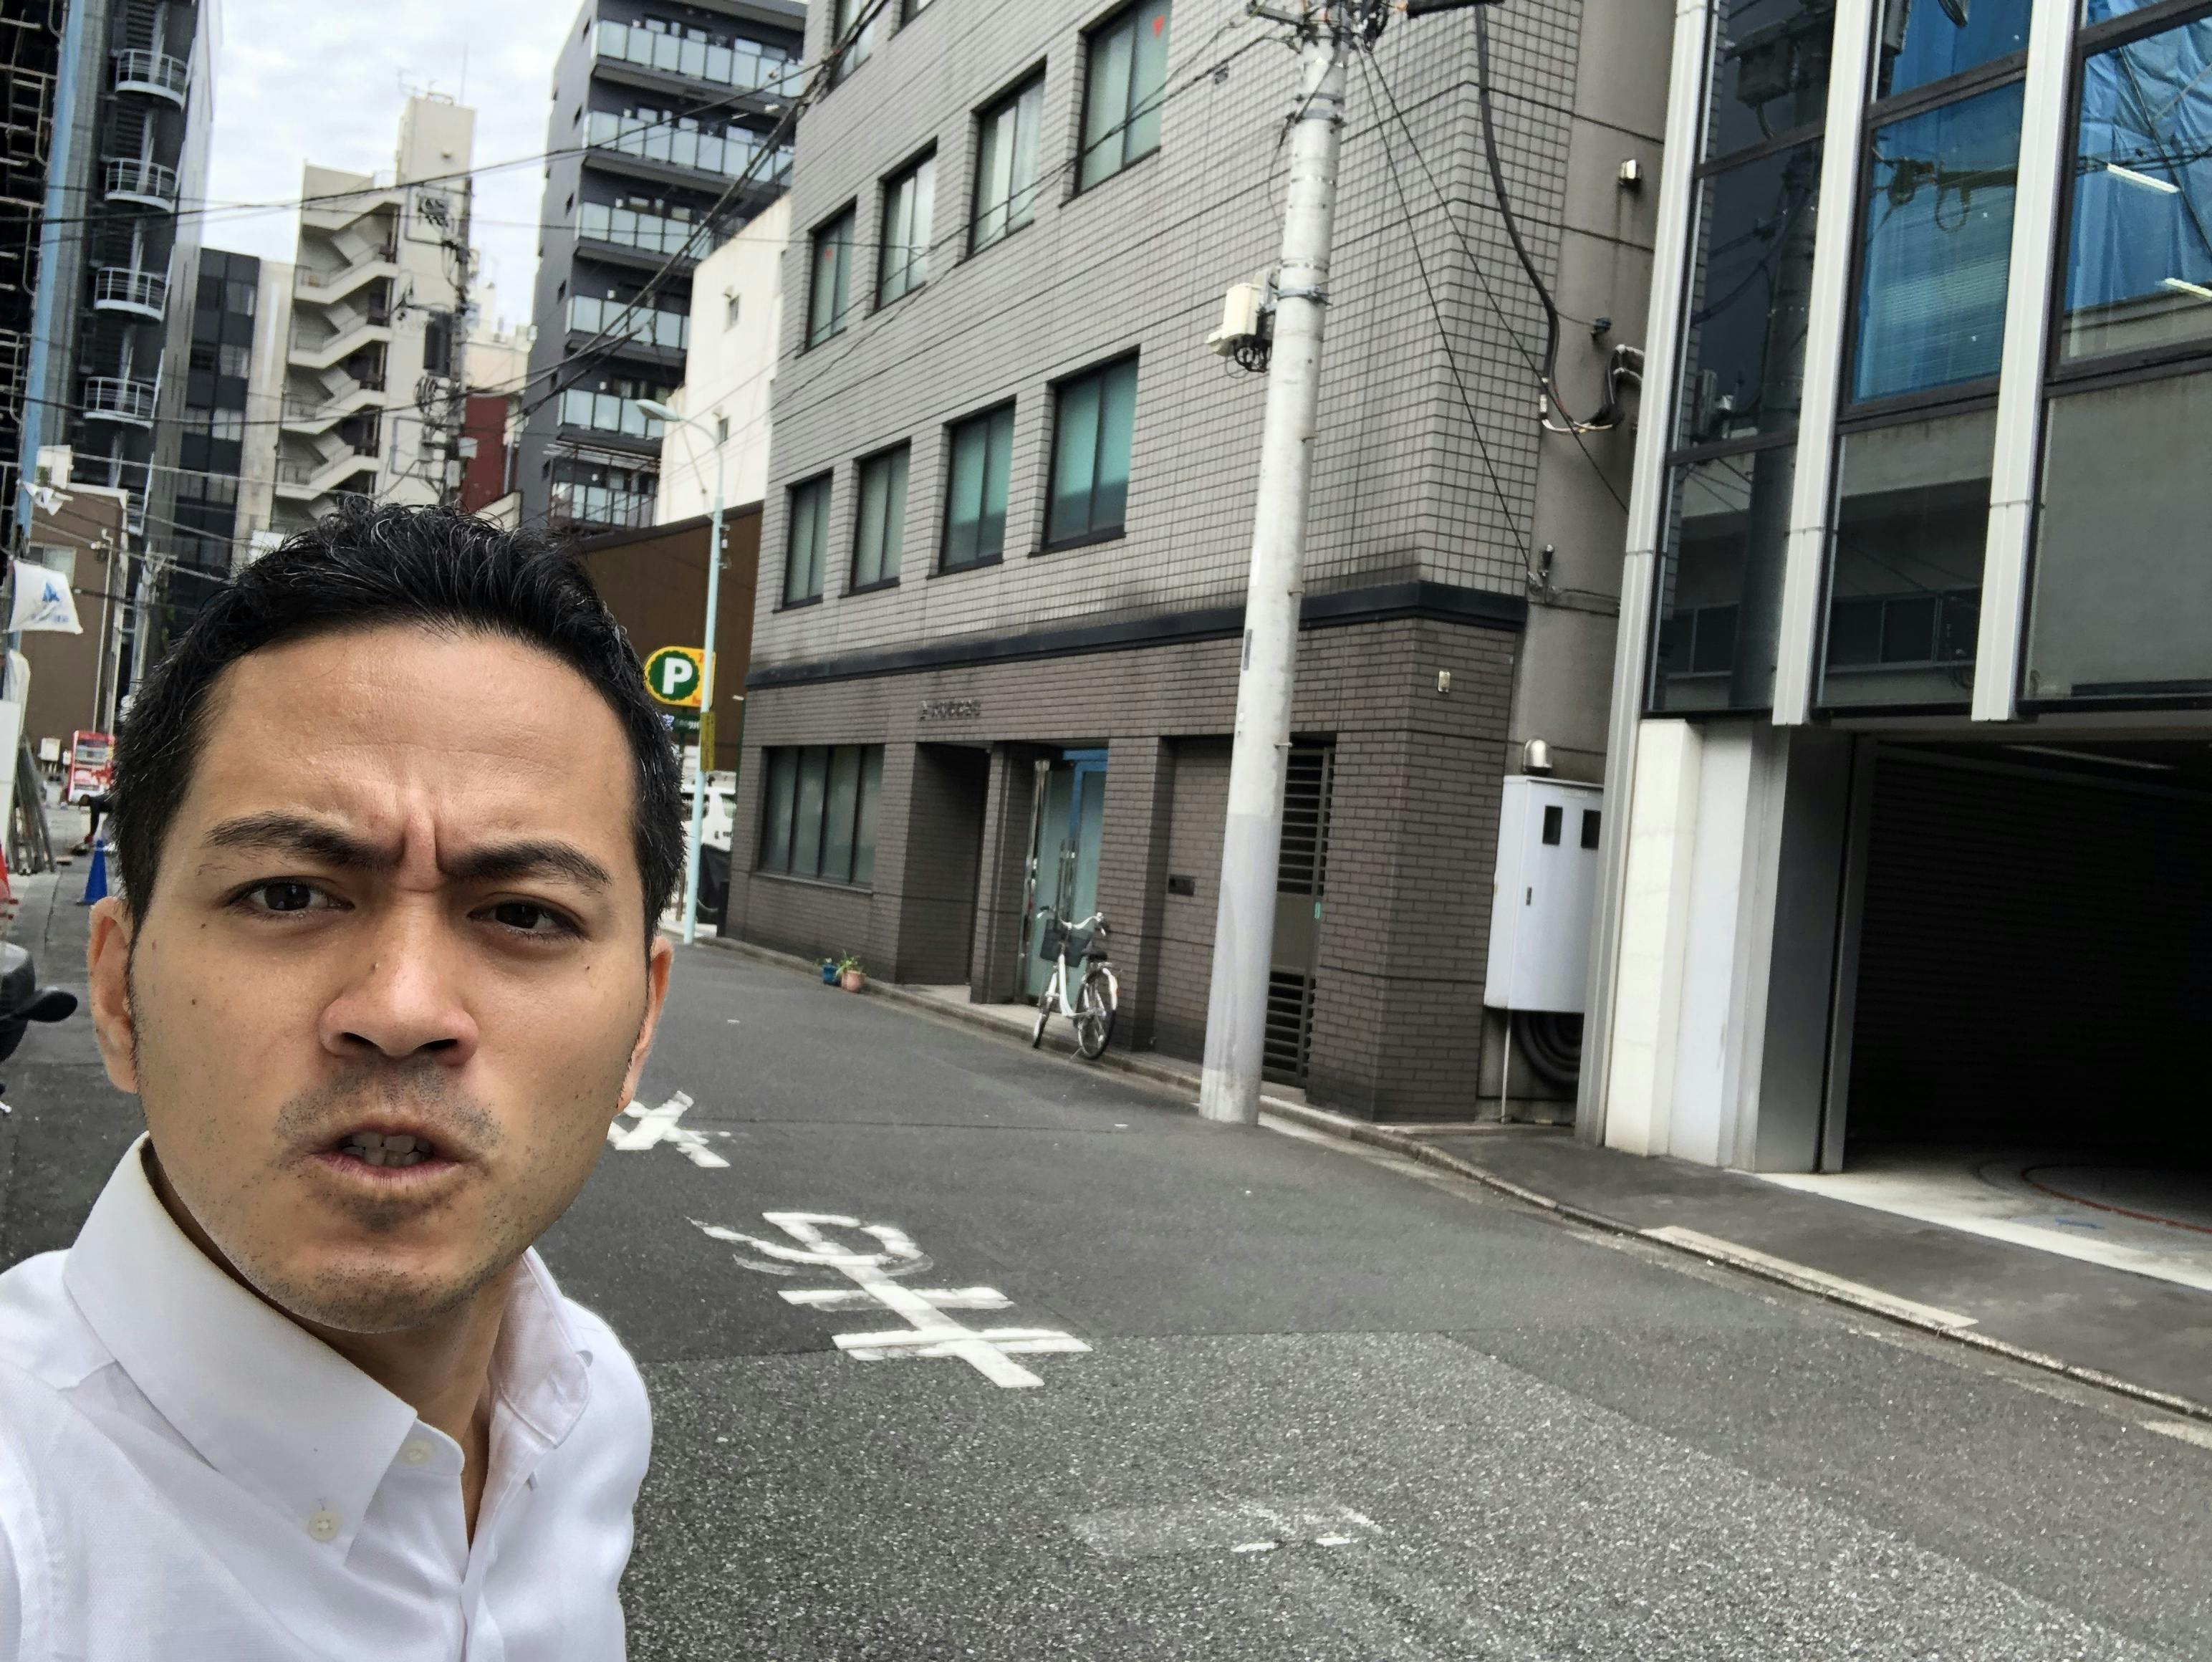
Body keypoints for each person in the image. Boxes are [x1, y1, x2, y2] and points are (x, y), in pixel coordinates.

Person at [0, 503, 681, 1658]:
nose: (402, 1010)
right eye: (288, 894)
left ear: (642, 1023)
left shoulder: (588, 1408)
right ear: (116, 990)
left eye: (525, 915)